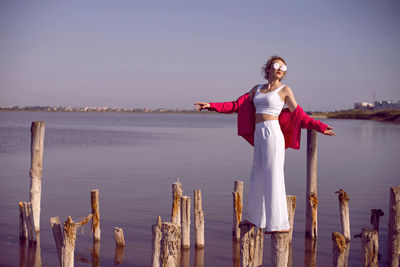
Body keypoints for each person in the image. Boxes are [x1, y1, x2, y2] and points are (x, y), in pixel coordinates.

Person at [194, 55, 335, 234]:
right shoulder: (257, 89)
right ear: (267, 69)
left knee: (273, 174)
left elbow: (299, 115)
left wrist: (320, 126)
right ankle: (254, 217)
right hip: (259, 133)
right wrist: (211, 105)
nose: (280, 69)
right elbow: (236, 105)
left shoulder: (285, 90)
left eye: (284, 68)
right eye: (277, 65)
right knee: (257, 175)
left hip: (273, 132)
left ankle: (278, 223)